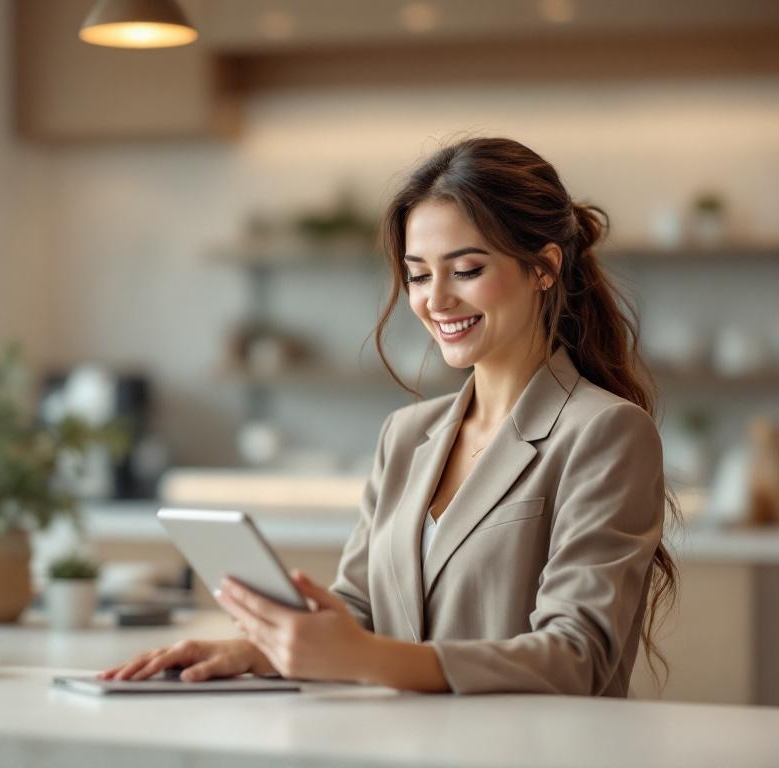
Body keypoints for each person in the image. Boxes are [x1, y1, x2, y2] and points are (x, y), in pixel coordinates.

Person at [100, 137, 679, 695]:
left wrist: (364, 657)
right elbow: (361, 609)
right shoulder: (405, 436)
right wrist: (255, 652)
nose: (436, 300)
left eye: (467, 269)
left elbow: (577, 655)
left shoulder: (605, 432)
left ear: (545, 267)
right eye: (419, 274)